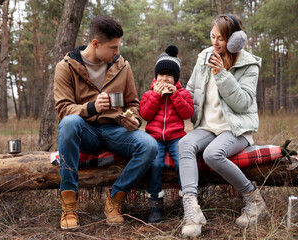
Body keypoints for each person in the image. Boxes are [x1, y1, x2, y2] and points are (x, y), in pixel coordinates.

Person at [54, 16, 158, 229]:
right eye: (113, 47)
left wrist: (134, 118)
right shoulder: (66, 67)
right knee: (69, 123)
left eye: (118, 46)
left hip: (115, 130)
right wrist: (91, 107)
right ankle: (69, 205)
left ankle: (115, 200)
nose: (117, 52)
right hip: (86, 130)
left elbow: (133, 102)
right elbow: (63, 109)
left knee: (149, 145)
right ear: (95, 44)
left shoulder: (122, 66)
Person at [178, 14, 269, 238]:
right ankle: (192, 211)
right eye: (213, 37)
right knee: (185, 144)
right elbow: (191, 90)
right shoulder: (204, 57)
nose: (215, 43)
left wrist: (222, 74)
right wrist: (176, 96)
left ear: (235, 39)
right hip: (206, 127)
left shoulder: (249, 64)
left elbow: (243, 103)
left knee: (212, 154)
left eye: (221, 38)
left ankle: (254, 200)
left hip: (235, 128)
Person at [140, 45, 194, 223]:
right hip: (154, 137)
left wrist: (175, 95)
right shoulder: (148, 94)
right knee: (155, 164)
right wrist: (156, 96)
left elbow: (187, 114)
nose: (165, 79)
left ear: (175, 78)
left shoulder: (183, 93)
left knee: (182, 162)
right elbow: (145, 114)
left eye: (169, 75)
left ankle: (187, 201)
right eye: (161, 75)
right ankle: (156, 204)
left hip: (176, 136)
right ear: (156, 77)